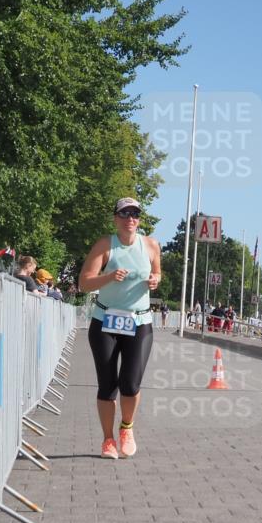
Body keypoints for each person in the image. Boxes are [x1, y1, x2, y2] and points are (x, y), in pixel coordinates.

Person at [78, 197, 161, 459]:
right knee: (107, 385)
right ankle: (108, 440)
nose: (130, 219)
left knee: (131, 383)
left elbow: (157, 272)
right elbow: (84, 283)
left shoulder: (150, 245)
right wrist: (109, 277)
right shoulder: (105, 245)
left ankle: (126, 427)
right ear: (115, 218)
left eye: (135, 214)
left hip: (139, 323)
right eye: (124, 214)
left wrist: (155, 280)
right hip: (106, 322)